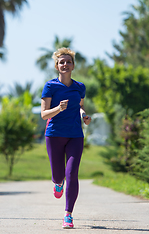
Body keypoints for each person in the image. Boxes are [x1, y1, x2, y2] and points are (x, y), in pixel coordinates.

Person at [40, 47, 91, 229]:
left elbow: (80, 106)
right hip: (54, 135)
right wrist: (59, 109)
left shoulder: (79, 87)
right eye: (62, 62)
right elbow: (44, 114)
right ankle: (57, 182)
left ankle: (68, 214)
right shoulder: (50, 86)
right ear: (57, 66)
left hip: (75, 135)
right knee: (58, 175)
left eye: (68, 62)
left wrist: (84, 115)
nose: (65, 64)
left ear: (73, 65)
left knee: (72, 174)